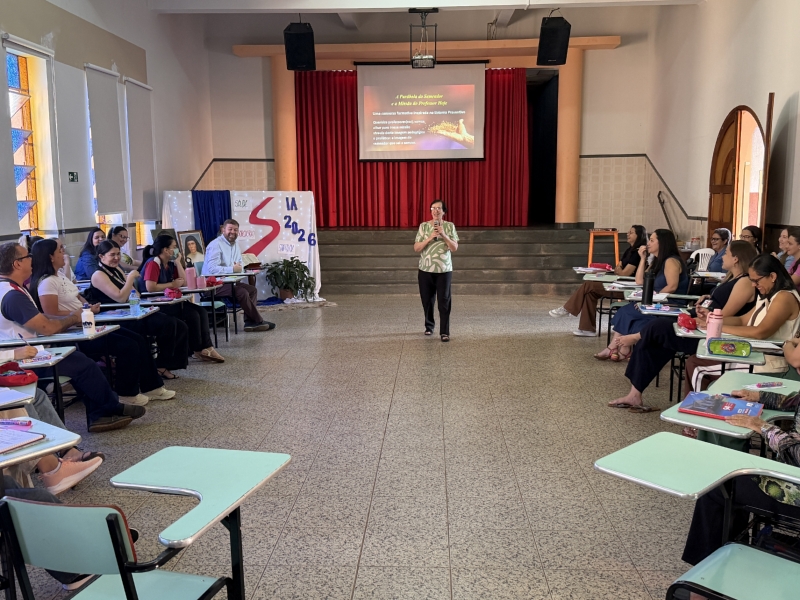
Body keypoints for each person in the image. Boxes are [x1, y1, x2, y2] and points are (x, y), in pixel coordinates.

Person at [0, 242, 143, 432]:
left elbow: (40, 318)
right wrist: (74, 318)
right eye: (28, 256)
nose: (32, 260)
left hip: (31, 349)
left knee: (81, 357)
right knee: (84, 365)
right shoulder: (12, 295)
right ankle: (108, 409)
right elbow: (46, 328)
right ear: (17, 263)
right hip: (21, 360)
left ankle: (103, 412)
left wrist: (72, 317)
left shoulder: (12, 289)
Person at [608, 241, 758, 412]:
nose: (722, 256)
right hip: (702, 323)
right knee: (653, 341)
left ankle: (636, 337)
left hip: (710, 334)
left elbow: (725, 315)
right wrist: (708, 299)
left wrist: (704, 317)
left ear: (736, 259)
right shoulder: (731, 277)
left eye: (727, 253)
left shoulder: (745, 282)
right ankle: (634, 394)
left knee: (658, 326)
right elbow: (720, 303)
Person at [31, 238, 175, 405]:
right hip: (75, 333)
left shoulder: (60, 275)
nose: (64, 253)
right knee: (128, 345)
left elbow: (78, 297)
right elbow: (50, 313)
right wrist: (79, 313)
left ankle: (152, 387)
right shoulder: (47, 282)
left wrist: (89, 307)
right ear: (50, 257)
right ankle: (126, 393)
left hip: (88, 323)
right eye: (60, 250)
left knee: (138, 339)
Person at [681, 385, 800, 567]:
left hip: (794, 492)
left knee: (720, 485)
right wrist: (759, 396)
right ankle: (727, 556)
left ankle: (705, 571)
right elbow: (794, 401)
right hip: (792, 476)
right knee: (735, 478)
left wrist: (763, 427)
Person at [684, 254, 800, 394]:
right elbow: (742, 320)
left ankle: (697, 406)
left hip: (768, 362)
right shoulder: (768, 295)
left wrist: (718, 327)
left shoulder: (784, 297)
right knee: (695, 361)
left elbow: (760, 332)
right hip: (755, 354)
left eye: (756, 280)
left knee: (697, 366)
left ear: (772, 276)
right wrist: (712, 318)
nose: (753, 285)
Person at [90, 240, 191, 380]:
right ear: (101, 256)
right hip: (115, 317)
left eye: (118, 254)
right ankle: (159, 367)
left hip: (131, 311)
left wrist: (129, 288)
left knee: (180, 325)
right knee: (167, 324)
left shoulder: (117, 270)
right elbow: (120, 297)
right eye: (112, 255)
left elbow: (135, 294)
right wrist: (130, 279)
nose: (117, 258)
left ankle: (164, 364)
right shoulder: (98, 275)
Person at [595, 229, 689, 361]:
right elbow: (640, 280)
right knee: (625, 311)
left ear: (662, 243)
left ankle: (616, 348)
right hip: (657, 302)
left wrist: (653, 300)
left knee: (628, 312)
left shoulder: (671, 261)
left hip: (670, 303)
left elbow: (672, 286)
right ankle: (621, 349)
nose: (648, 243)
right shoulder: (657, 261)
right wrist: (643, 258)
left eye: (652, 240)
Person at [141, 235, 225, 363]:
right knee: (192, 315)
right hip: (155, 305)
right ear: (165, 250)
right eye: (174, 247)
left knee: (201, 311)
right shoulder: (153, 263)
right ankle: (197, 349)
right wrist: (172, 284)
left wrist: (178, 262)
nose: (176, 250)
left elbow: (184, 282)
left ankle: (207, 347)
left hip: (170, 302)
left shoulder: (169, 264)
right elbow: (150, 287)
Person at [550, 225, 647, 336]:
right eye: (628, 232)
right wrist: (620, 269)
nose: (627, 234)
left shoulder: (638, 254)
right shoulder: (629, 250)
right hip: (619, 282)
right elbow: (618, 268)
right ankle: (587, 329)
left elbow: (624, 273)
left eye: (631, 232)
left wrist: (620, 269)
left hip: (627, 288)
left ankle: (568, 309)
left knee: (589, 285)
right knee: (589, 293)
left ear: (639, 236)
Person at [202, 219, 275, 332]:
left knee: (252, 290)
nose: (233, 232)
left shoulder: (236, 245)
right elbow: (212, 269)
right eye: (230, 229)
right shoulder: (215, 245)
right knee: (242, 292)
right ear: (223, 230)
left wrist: (243, 269)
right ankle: (258, 321)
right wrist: (232, 269)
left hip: (228, 282)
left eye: (235, 230)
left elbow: (239, 264)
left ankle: (249, 322)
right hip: (212, 285)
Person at [414, 199, 459, 342]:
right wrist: (430, 237)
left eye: (439, 208)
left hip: (444, 270)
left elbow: (454, 248)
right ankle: (429, 326)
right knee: (427, 300)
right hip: (425, 269)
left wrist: (443, 234)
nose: (436, 210)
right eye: (433, 208)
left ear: (444, 211)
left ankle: (444, 332)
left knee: (444, 300)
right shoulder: (423, 226)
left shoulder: (449, 226)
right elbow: (416, 248)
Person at [784, 226, 800, 290]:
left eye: (790, 244)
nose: (786, 246)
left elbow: (789, 283)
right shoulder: (795, 261)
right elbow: (786, 276)